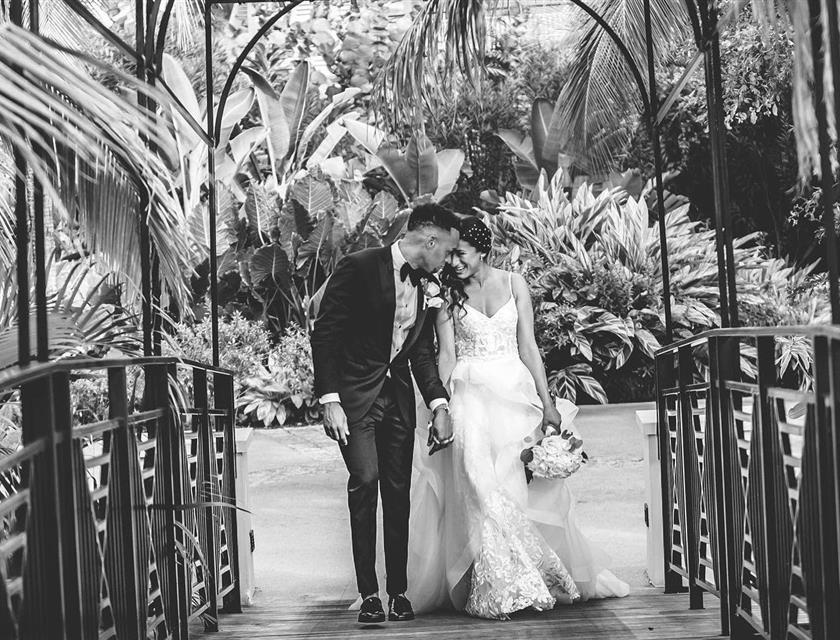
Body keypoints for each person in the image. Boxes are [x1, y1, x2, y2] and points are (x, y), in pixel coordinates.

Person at [406, 216, 630, 620]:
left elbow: (529, 347)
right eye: (450, 254)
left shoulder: (514, 284)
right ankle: (500, 581)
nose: (452, 262)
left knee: (513, 485)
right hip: (469, 393)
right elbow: (447, 354)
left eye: (461, 254)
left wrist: (547, 405)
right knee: (476, 479)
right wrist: (440, 406)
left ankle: (527, 573)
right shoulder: (445, 294)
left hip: (514, 393)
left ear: (482, 251)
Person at [310, 203, 461, 624]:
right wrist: (329, 399)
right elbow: (325, 333)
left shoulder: (429, 289)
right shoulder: (359, 266)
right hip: (355, 401)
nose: (448, 260)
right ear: (429, 241)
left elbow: (423, 356)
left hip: (396, 402)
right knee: (365, 481)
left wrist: (439, 403)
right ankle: (369, 594)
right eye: (447, 251)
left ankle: (398, 592)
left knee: (398, 493)